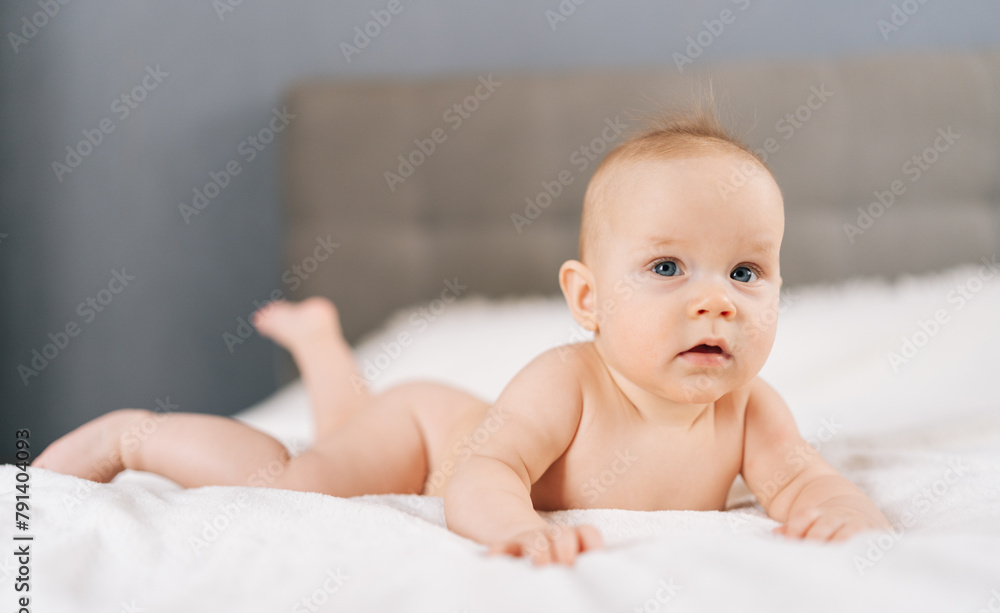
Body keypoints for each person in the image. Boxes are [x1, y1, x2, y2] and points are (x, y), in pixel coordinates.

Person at [32, 101, 892, 566]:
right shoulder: (565, 380)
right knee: (305, 476)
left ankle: (321, 342)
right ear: (587, 299)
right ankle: (133, 434)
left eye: (746, 272)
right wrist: (512, 528)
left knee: (342, 430)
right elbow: (483, 470)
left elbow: (801, 478)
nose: (717, 302)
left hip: (447, 425)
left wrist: (841, 511)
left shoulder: (749, 406)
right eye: (668, 268)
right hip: (430, 432)